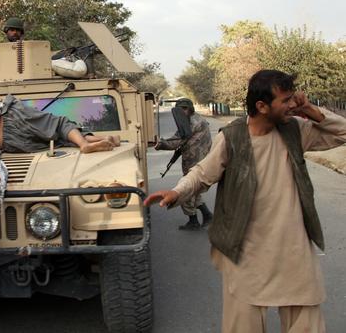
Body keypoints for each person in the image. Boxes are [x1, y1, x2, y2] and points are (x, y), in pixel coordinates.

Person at [144, 70, 346, 333]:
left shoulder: (295, 129)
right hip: (247, 246)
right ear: (262, 106)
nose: (292, 104)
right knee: (244, 322)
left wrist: (310, 109)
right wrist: (177, 192)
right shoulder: (232, 137)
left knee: (305, 318)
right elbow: (202, 173)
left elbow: (342, 133)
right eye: (285, 100)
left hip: (293, 246)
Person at [0, 94, 119, 163]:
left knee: (57, 138)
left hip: (11, 144)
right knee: (59, 124)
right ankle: (85, 143)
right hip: (12, 119)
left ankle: (94, 140)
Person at [155, 98, 213, 230]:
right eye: (180, 109)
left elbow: (176, 141)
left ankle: (193, 220)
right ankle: (207, 215)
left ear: (190, 108)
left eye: (184, 108)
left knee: (185, 190)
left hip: (195, 161)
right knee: (194, 190)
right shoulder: (195, 119)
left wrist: (160, 144)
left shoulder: (192, 123)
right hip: (198, 160)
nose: (182, 111)